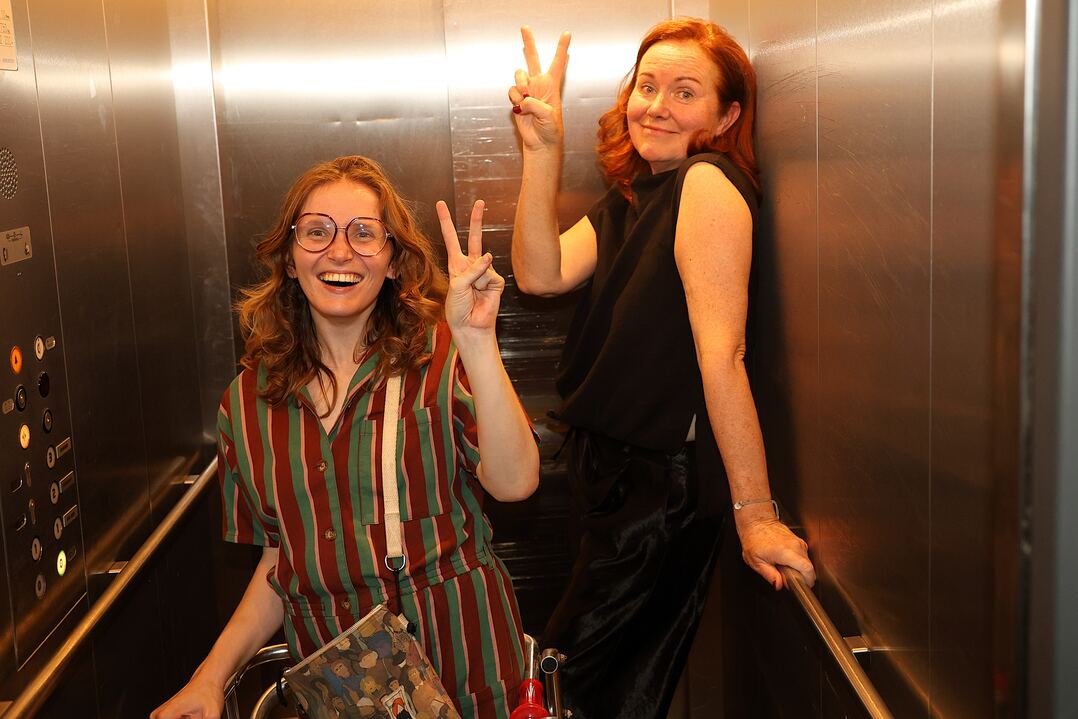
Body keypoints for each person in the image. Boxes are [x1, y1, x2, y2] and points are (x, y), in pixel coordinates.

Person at [151, 155, 538, 719]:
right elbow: (280, 563)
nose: (339, 252)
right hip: (341, 696)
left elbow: (516, 483)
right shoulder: (247, 402)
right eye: (317, 232)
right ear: (289, 259)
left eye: (364, 234)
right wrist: (209, 678)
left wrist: (476, 340)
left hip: (466, 673)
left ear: (395, 262)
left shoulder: (443, 357)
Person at [507, 19, 817, 718]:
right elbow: (540, 274)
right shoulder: (635, 195)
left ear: (726, 116)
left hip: (655, 485)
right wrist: (542, 150)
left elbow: (722, 354)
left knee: (575, 686)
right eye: (647, 86)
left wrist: (756, 515)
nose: (657, 106)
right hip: (609, 472)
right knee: (581, 686)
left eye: (685, 92)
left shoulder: (705, 182)